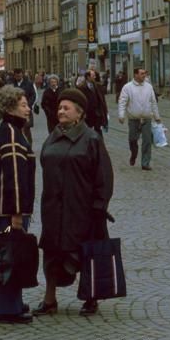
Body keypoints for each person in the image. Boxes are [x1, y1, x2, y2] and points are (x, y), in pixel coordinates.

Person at [33, 89, 113, 317]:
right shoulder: (53, 136)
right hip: (53, 208)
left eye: (66, 108)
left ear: (79, 113)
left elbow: (104, 176)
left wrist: (100, 204)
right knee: (50, 252)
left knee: (84, 251)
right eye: (59, 108)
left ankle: (90, 297)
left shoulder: (91, 139)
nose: (60, 111)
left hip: (81, 208)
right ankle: (49, 300)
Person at [0, 85, 36, 324]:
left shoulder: (10, 130)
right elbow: (14, 177)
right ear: (10, 107)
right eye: (23, 105)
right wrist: (17, 213)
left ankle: (13, 302)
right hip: (9, 212)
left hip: (3, 210)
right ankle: (8, 309)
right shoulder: (12, 134)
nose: (28, 109)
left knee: (11, 253)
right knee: (8, 254)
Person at [117, 67, 162, 171]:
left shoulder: (149, 87)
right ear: (135, 75)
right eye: (141, 73)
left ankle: (145, 163)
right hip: (134, 118)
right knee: (132, 139)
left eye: (144, 74)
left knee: (147, 141)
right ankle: (134, 153)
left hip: (146, 117)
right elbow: (122, 102)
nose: (144, 75)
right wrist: (121, 115)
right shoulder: (127, 87)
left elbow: (153, 102)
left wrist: (157, 116)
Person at [8, 67, 36, 140]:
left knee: (26, 128)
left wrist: (28, 104)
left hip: (26, 109)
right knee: (16, 127)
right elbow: (8, 95)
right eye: (17, 76)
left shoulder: (28, 83)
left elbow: (33, 95)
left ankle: (29, 146)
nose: (18, 77)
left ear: (22, 75)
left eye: (20, 76)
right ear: (14, 76)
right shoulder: (10, 84)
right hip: (15, 109)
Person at [78, 69, 108, 135]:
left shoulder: (98, 86)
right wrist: (82, 113)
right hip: (88, 113)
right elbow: (80, 102)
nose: (95, 77)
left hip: (97, 113)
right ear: (88, 77)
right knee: (87, 131)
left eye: (94, 76)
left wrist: (105, 112)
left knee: (98, 131)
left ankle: (99, 144)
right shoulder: (81, 87)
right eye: (93, 76)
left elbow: (102, 100)